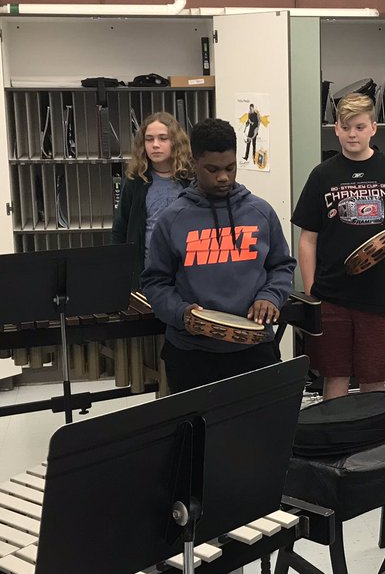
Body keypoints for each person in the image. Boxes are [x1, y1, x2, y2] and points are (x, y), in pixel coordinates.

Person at [142, 118, 295, 393]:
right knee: (197, 434)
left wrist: (270, 296)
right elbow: (155, 282)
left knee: (258, 433)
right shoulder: (172, 219)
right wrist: (180, 312)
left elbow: (282, 266)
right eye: (212, 169)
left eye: (230, 168)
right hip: (192, 353)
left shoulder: (261, 212)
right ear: (194, 162)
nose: (223, 177)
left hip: (254, 349)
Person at [293, 93, 385, 399]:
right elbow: (307, 238)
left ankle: (371, 438)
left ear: (373, 128)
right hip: (332, 295)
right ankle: (336, 438)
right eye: (346, 127)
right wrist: (311, 289)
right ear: (336, 128)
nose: (353, 134)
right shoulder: (322, 174)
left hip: (377, 295)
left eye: (360, 127)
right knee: (335, 376)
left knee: (374, 380)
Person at [111, 112, 193, 289]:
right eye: (149, 139)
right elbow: (120, 229)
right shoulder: (135, 181)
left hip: (187, 275)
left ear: (176, 142)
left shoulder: (191, 180)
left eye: (163, 138)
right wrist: (118, 272)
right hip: (147, 275)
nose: (155, 145)